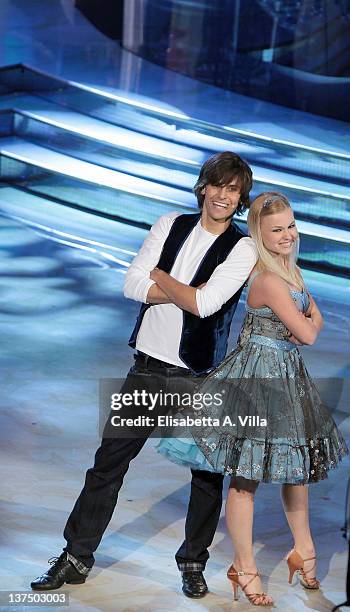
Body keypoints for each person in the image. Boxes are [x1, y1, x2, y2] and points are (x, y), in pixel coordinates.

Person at [30, 151, 258, 598]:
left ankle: (193, 562)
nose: (223, 196)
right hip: (147, 369)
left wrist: (164, 280)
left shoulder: (244, 246)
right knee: (107, 466)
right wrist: (182, 290)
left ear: (241, 198)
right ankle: (75, 556)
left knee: (206, 476)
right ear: (203, 187)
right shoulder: (169, 224)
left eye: (233, 190)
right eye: (217, 186)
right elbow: (131, 284)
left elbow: (205, 305)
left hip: (199, 375)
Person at [157, 192, 349, 606]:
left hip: (286, 378)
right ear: (260, 236)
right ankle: (244, 567)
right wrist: (302, 326)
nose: (287, 235)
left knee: (295, 471)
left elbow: (315, 322)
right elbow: (311, 332)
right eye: (276, 230)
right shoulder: (268, 279)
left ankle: (306, 552)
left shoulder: (291, 272)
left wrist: (303, 325)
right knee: (246, 478)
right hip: (256, 382)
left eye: (290, 226)